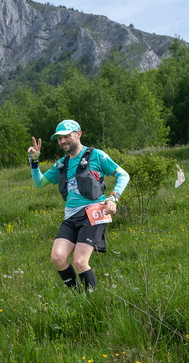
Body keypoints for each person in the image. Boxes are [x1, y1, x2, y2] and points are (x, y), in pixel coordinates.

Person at [28, 120, 129, 292]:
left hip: (94, 212)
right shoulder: (62, 164)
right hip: (71, 216)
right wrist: (34, 160)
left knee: (80, 261)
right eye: (59, 138)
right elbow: (38, 183)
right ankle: (78, 296)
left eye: (66, 136)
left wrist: (113, 198)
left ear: (78, 134)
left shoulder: (96, 155)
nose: (62, 141)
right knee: (58, 258)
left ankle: (92, 300)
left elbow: (123, 175)